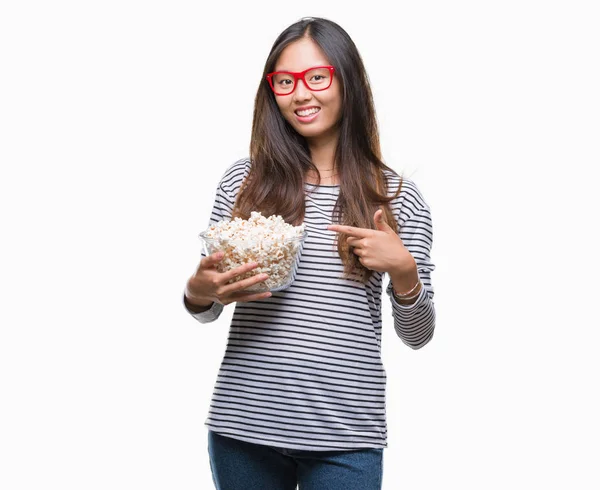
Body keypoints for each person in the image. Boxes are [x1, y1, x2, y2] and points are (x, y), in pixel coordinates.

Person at [183, 16, 436, 490]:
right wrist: (197, 293)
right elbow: (208, 308)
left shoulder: (397, 196)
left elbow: (418, 335)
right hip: (244, 427)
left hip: (346, 437)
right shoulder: (245, 181)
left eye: (317, 77)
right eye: (285, 81)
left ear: (348, 80)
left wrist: (405, 274)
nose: (301, 94)